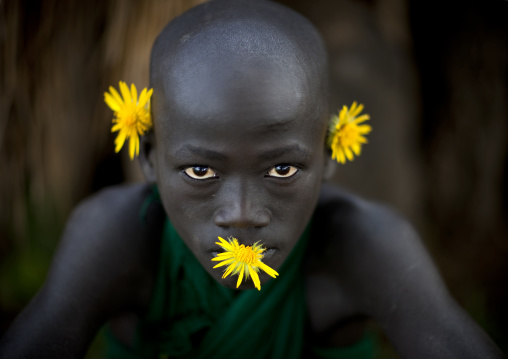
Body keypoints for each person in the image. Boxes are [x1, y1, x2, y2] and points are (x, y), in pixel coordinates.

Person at [0, 0, 505, 358]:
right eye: (201, 171)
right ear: (149, 156)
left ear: (329, 153)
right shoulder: (115, 239)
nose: (242, 213)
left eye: (282, 169)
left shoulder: (362, 248)